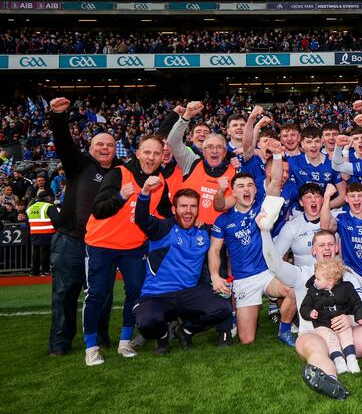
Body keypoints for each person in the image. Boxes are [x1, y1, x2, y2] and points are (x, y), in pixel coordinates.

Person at [258, 207, 362, 400]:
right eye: (321, 245)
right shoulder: (301, 274)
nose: (327, 248)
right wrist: (264, 232)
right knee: (311, 346)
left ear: (337, 248)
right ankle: (330, 381)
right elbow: (274, 265)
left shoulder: (349, 277)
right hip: (316, 334)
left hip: (349, 336)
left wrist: (350, 318)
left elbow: (360, 307)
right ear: (313, 251)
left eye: (330, 244)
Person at [83, 136, 172, 366]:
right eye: (147, 152)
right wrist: (121, 196)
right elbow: (99, 209)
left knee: (134, 292)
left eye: (156, 154)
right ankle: (91, 347)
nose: (151, 158)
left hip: (133, 247)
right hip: (102, 243)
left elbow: (166, 215)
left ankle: (125, 341)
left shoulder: (160, 180)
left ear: (162, 157)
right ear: (138, 153)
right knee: (97, 294)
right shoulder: (119, 173)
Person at [47, 97, 119, 356]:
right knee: (64, 293)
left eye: (110, 145)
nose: (104, 148)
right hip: (71, 240)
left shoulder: (121, 171)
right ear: (90, 147)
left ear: (116, 149)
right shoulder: (78, 165)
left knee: (102, 295)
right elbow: (64, 143)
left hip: (103, 244)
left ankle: (99, 337)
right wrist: (57, 117)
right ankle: (59, 342)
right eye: (99, 144)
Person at [132, 184, 233, 355]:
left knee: (223, 308)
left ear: (198, 210)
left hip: (189, 294)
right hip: (158, 295)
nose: (188, 211)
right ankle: (163, 335)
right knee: (146, 322)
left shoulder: (204, 231)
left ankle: (184, 331)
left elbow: (225, 238)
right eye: (183, 206)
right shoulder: (162, 228)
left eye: (193, 206)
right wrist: (144, 193)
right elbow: (142, 219)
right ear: (174, 209)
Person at [209, 169, 297, 347]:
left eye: (250, 185)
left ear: (256, 190)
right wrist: (215, 276)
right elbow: (214, 251)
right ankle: (262, 306)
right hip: (244, 280)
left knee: (294, 289)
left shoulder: (262, 208)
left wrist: (277, 154)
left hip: (267, 273)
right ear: (233, 192)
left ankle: (285, 330)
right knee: (247, 340)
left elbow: (275, 184)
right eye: (240, 186)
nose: (246, 189)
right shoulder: (223, 220)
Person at [299, 258, 362, 374]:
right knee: (331, 339)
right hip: (323, 324)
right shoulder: (313, 292)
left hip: (340, 321)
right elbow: (304, 307)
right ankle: (338, 360)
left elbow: (357, 303)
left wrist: (359, 316)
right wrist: (309, 312)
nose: (315, 281)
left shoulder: (347, 288)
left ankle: (351, 359)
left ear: (330, 281)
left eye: (318, 279)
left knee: (346, 334)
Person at [26, 189, 55, 276]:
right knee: (45, 252)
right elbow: (56, 220)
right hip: (47, 232)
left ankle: (34, 271)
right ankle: (45, 270)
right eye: (49, 196)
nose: (50, 198)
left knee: (36, 251)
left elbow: (27, 221)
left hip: (34, 232)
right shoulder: (48, 206)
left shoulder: (30, 207)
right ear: (46, 197)